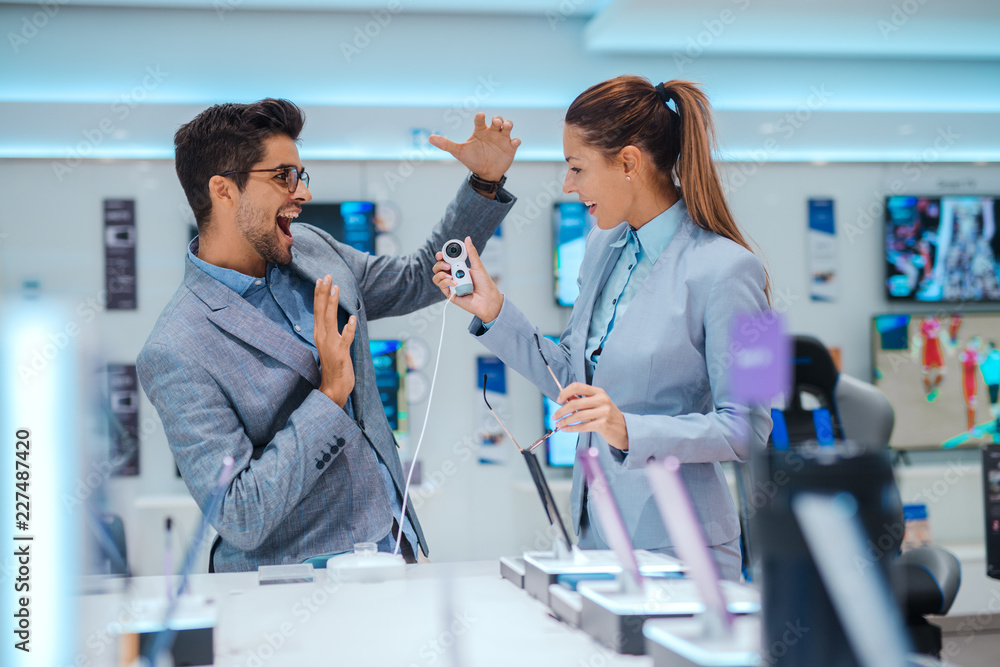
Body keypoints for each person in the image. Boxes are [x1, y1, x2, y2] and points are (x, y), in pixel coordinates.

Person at [137, 99, 519, 572]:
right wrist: (331, 395)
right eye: (283, 177)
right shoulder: (176, 347)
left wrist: (483, 185)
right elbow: (240, 513)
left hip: (390, 552)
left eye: (302, 175)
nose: (300, 195)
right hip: (287, 592)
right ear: (223, 190)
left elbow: (420, 277)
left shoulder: (313, 249)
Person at [433, 77, 772, 581]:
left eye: (576, 168)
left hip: (684, 550)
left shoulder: (734, 269)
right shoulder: (600, 248)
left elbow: (751, 430)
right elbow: (572, 379)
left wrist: (626, 428)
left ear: (629, 163)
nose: (568, 185)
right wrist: (495, 311)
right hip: (594, 536)